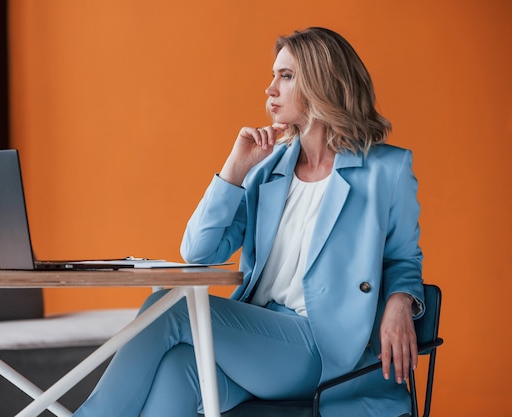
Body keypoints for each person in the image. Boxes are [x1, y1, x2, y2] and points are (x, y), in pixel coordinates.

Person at [73, 26, 424, 417]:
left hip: (321, 346)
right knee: (179, 369)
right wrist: (234, 171)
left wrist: (399, 302)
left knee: (169, 307)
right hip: (259, 338)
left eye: (286, 76)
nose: (269, 89)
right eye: (273, 75)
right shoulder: (268, 170)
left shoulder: (386, 170)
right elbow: (197, 251)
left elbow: (404, 259)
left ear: (323, 82)